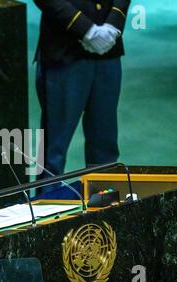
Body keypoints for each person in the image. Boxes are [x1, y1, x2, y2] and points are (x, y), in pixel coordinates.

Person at [34, 0, 131, 191]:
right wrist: (85, 29)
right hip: (64, 53)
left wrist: (114, 23)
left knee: (105, 147)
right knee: (53, 153)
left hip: (107, 51)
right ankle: (48, 214)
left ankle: (105, 211)